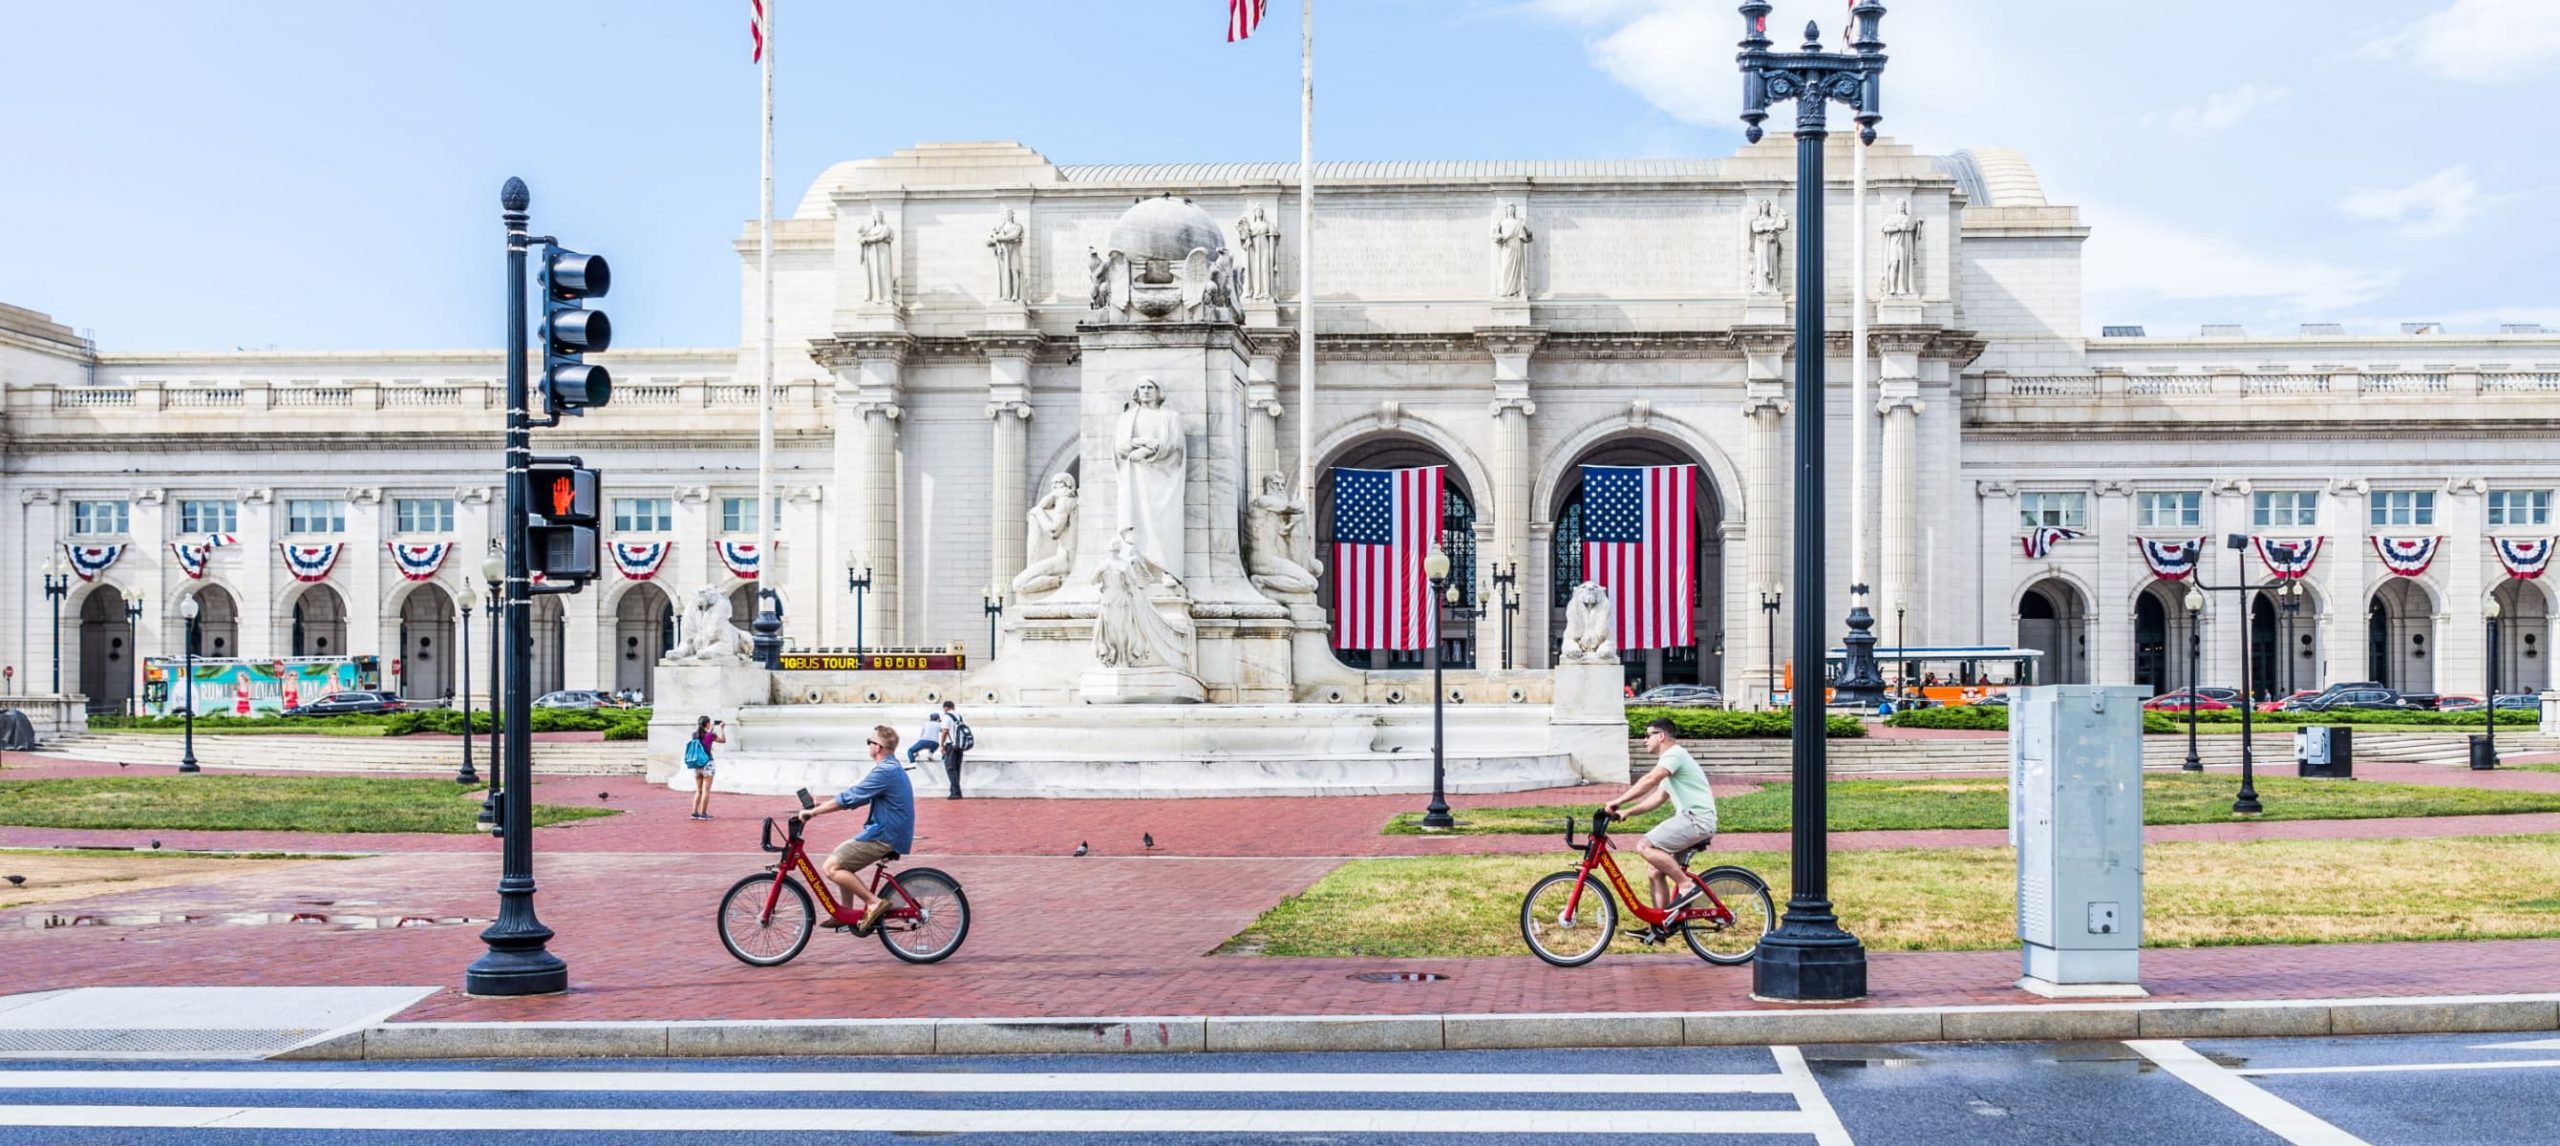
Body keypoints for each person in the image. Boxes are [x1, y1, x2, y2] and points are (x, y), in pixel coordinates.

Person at [791, 724, 914, 934]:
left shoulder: (886, 771)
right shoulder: (890, 769)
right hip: (888, 832)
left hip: (885, 835)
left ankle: (873, 902)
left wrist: (814, 812)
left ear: (878, 747)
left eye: (870, 742)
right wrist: (819, 807)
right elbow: (855, 798)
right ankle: (845, 912)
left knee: (832, 867)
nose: (868, 745)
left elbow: (850, 798)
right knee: (841, 858)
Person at [1603, 716, 1719, 920]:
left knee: (1645, 846)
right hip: (1693, 819)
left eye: (1647, 735)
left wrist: (1618, 800)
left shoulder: (1674, 755)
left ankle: (1686, 886)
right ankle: (1662, 923)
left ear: (1661, 736)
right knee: (1655, 871)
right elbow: (1658, 797)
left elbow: (1650, 779)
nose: (1644, 740)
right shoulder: (1673, 762)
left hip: (1696, 819)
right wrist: (1627, 812)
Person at [684, 716, 724, 821]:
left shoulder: (694, 735)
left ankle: (694, 812)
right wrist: (722, 728)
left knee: (698, 790)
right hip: (708, 763)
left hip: (697, 765)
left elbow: (702, 741)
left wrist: (709, 731)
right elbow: (723, 740)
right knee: (706, 790)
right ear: (707, 724)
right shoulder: (711, 735)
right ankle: (703, 813)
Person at [937, 699, 969, 799]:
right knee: (956, 768)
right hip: (960, 745)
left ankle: (956, 792)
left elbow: (945, 731)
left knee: (950, 768)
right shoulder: (958, 716)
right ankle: (955, 791)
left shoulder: (947, 717)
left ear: (945, 708)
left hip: (951, 745)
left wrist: (941, 744)